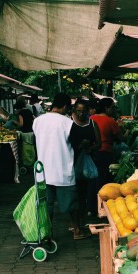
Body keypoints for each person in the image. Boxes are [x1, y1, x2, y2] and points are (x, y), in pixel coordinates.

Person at [32, 93, 90, 240]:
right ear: (65, 106)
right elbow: (77, 144)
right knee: (72, 203)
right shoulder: (67, 122)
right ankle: (77, 231)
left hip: (43, 172)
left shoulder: (37, 121)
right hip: (63, 170)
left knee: (46, 206)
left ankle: (46, 234)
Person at [69, 98, 101, 224]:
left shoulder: (93, 124)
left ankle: (81, 219)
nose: (81, 114)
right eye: (78, 111)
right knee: (73, 193)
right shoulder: (69, 124)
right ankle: (74, 222)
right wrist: (79, 146)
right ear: (74, 111)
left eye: (83, 111)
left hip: (88, 164)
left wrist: (89, 148)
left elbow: (99, 143)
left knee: (84, 193)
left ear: (88, 111)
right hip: (71, 163)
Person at [90, 97, 124, 193]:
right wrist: (126, 130)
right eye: (112, 107)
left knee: (93, 180)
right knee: (103, 181)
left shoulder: (91, 118)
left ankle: (91, 205)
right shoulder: (110, 121)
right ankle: (100, 203)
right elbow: (121, 138)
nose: (114, 110)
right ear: (106, 108)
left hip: (92, 153)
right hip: (105, 154)